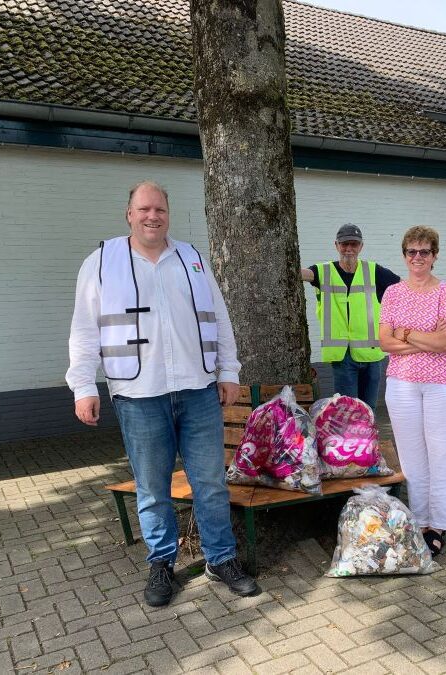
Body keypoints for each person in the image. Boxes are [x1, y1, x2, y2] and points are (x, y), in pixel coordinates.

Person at [66, 180, 259, 606]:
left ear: (168, 215)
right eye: (144, 209)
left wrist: (229, 371)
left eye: (160, 210)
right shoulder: (101, 263)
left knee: (210, 482)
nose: (152, 216)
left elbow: (219, 319)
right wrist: (83, 385)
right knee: (152, 487)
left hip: (198, 389)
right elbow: (84, 329)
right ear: (129, 213)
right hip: (138, 393)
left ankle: (221, 559)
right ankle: (161, 564)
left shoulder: (191, 259)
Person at [378, 225, 446, 556]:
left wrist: (406, 333)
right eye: (412, 252)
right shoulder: (393, 293)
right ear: (404, 256)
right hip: (402, 385)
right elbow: (384, 342)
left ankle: (440, 523)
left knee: (442, 453)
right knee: (413, 457)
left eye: (424, 252)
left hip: (442, 385)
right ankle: (420, 519)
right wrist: (423, 340)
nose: (418, 257)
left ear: (435, 255)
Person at [301, 224, 400, 410]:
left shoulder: (374, 271)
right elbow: (302, 274)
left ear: (361, 246)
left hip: (371, 355)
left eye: (354, 244)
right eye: (344, 244)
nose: (349, 249)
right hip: (342, 356)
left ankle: (366, 439)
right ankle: (349, 439)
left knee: (368, 410)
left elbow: (404, 288)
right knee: (347, 411)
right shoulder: (323, 271)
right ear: (336, 245)